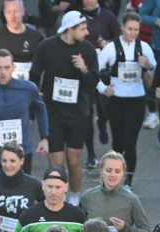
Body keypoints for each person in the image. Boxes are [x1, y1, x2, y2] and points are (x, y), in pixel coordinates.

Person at [32, 12, 101, 198]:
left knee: (74, 161)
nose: (86, 32)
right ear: (70, 29)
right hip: (53, 114)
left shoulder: (88, 49)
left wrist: (84, 69)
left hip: (78, 115)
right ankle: (58, 198)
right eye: (83, 29)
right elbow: (35, 75)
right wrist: (35, 104)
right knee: (56, 164)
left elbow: (94, 83)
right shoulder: (46, 46)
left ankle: (74, 197)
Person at [97, 15, 156, 177]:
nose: (133, 33)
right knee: (117, 142)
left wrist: (148, 65)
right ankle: (115, 178)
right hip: (116, 100)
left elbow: (156, 71)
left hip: (137, 99)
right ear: (122, 28)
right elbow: (94, 71)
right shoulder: (110, 48)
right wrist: (103, 88)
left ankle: (128, 181)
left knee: (130, 143)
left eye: (136, 29)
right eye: (130, 29)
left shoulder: (144, 47)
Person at [11, 167, 90, 232]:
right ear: (43, 185)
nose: (53, 192)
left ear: (66, 187)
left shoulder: (77, 215)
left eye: (58, 187)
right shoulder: (29, 215)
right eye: (49, 186)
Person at [80, 152, 153, 232]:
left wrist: (126, 229)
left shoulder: (131, 199)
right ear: (101, 171)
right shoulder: (87, 197)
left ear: (123, 173)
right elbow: (78, 228)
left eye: (117, 171)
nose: (113, 175)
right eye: (108, 170)